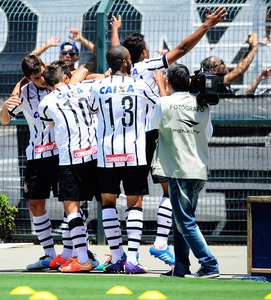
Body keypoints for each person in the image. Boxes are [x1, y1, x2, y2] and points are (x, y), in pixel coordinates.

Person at [109, 6, 227, 266]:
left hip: (131, 137)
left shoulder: (123, 70)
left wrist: (115, 32)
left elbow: (116, 54)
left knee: (129, 198)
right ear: (144, 53)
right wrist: (206, 25)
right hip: (155, 131)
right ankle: (161, 243)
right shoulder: (148, 66)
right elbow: (183, 49)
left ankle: (125, 254)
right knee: (169, 188)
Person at [89, 45, 159, 274]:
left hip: (107, 152)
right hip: (134, 151)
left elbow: (92, 110)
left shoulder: (98, 87)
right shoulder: (140, 85)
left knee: (108, 203)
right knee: (135, 204)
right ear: (126, 62)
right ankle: (132, 258)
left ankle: (116, 256)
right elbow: (157, 104)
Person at [151, 63, 219, 279]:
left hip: (179, 170)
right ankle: (180, 267)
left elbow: (154, 126)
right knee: (182, 220)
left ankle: (209, 264)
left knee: (184, 222)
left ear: (168, 82)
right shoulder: (203, 104)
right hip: (198, 169)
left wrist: (161, 89)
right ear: (190, 82)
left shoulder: (163, 102)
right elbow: (207, 135)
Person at [0, 55, 59, 271]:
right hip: (37, 155)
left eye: (43, 74)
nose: (42, 79)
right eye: (36, 78)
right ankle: (49, 255)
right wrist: (6, 107)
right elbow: (4, 120)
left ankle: (76, 253)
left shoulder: (60, 82)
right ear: (28, 78)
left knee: (72, 202)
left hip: (63, 154)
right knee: (35, 205)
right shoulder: (24, 93)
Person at [38, 63, 100, 273]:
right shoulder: (83, 88)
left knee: (71, 207)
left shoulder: (45, 102)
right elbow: (94, 109)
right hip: (94, 153)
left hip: (70, 158)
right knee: (107, 204)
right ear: (65, 77)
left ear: (46, 83)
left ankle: (82, 258)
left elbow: (52, 124)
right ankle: (117, 256)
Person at [200, 33, 258, 98]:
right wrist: (255, 47)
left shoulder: (219, 79)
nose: (225, 64)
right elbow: (239, 72)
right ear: (214, 70)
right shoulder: (215, 82)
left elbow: (239, 67)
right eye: (221, 62)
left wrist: (250, 48)